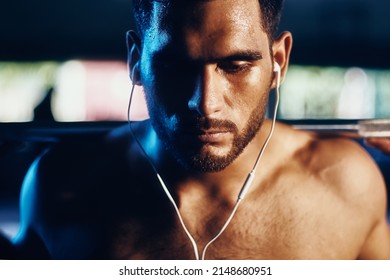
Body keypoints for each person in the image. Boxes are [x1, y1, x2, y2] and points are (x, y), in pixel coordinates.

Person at [4, 0, 390, 260]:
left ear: (278, 61)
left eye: (236, 65)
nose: (204, 104)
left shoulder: (346, 183)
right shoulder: (59, 186)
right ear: (137, 61)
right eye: (175, 66)